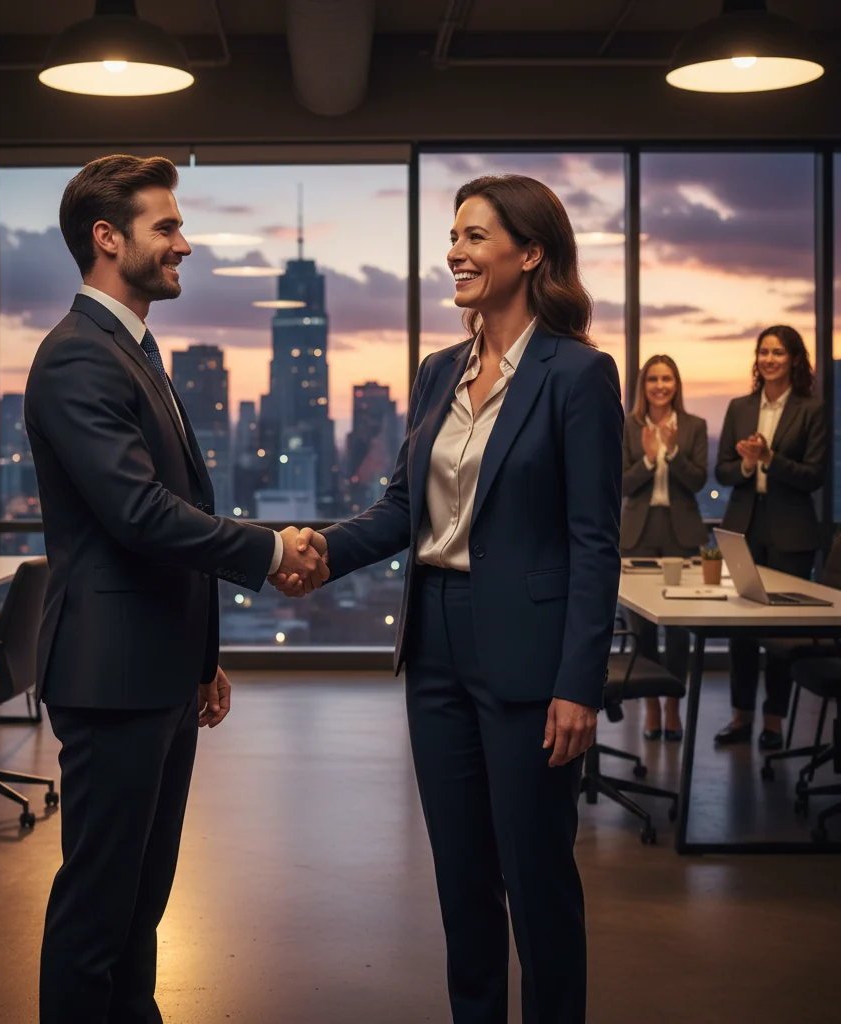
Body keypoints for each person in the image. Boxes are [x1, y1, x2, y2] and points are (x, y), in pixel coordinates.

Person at [275, 175, 622, 1024]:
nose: (454, 253)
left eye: (473, 237)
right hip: (433, 642)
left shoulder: (579, 375)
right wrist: (321, 553)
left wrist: (581, 682)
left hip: (530, 653)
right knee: (461, 874)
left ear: (529, 253)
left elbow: (593, 542)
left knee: (536, 876)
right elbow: (402, 508)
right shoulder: (437, 372)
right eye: (453, 237)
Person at [24, 154, 327, 1024]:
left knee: (142, 904)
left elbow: (178, 510)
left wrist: (203, 659)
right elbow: (140, 515)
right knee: (98, 910)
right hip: (111, 677)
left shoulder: (134, 352)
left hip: (155, 671)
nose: (183, 245)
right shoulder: (79, 357)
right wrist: (270, 551)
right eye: (167, 227)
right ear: (108, 239)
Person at [714, 325, 826, 752]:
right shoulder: (740, 407)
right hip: (745, 527)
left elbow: (814, 476)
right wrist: (745, 466)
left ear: (795, 359)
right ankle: (740, 716)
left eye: (778, 352)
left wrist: (770, 459)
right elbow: (724, 470)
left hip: (792, 532)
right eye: (763, 352)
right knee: (741, 629)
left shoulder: (810, 409)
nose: (769, 359)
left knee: (780, 632)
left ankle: (774, 722)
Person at [621, 354, 709, 741]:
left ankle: (674, 705)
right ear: (644, 385)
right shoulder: (628, 426)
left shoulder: (694, 427)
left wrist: (671, 454)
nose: (660, 385)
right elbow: (621, 484)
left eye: (667, 378)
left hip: (681, 533)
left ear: (677, 384)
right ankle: (651, 705)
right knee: (641, 627)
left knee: (677, 631)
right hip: (638, 534)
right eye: (653, 379)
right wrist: (649, 459)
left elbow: (699, 482)